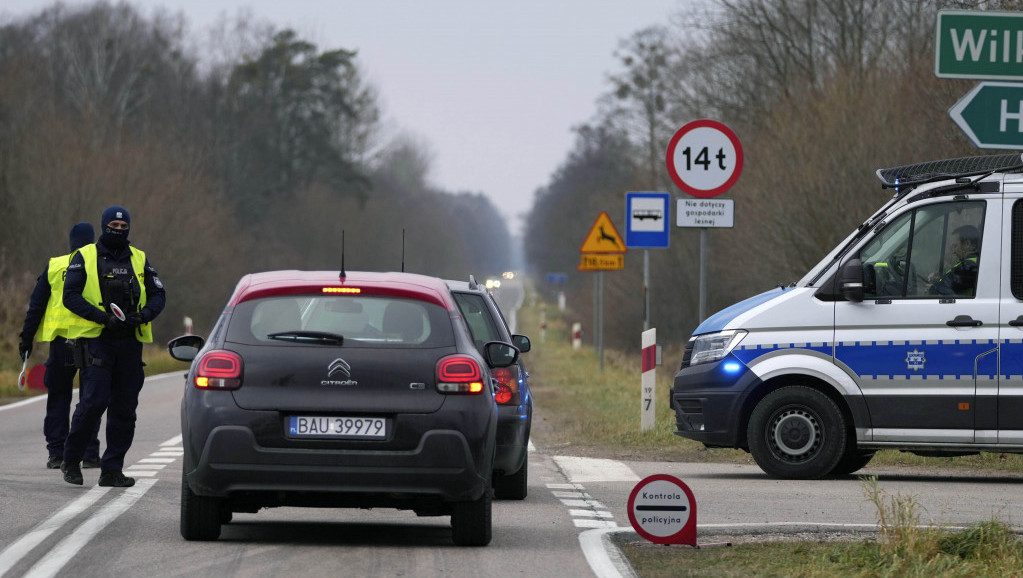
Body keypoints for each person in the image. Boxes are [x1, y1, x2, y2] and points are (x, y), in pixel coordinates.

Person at [61, 206, 166, 487]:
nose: (119, 230)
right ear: (104, 226)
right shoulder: (84, 256)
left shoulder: (140, 258)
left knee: (125, 409)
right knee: (94, 403)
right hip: (98, 339)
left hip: (130, 341)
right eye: (114, 225)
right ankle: (71, 460)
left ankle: (112, 469)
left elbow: (158, 295)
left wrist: (142, 316)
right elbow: (69, 295)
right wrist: (103, 318)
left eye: (123, 226)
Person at [19, 223, 102, 470]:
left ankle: (56, 453)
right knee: (90, 399)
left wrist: (26, 339)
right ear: (92, 241)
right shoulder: (98, 265)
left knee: (58, 396)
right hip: (91, 340)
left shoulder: (55, 266)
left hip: (60, 343)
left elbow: (36, 306)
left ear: (71, 241)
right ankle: (88, 453)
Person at [928, 225, 981, 297]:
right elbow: (954, 282)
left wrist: (933, 288)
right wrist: (939, 279)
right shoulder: (971, 263)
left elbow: (943, 288)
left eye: (955, 246)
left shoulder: (969, 266)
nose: (954, 252)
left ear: (967, 244)